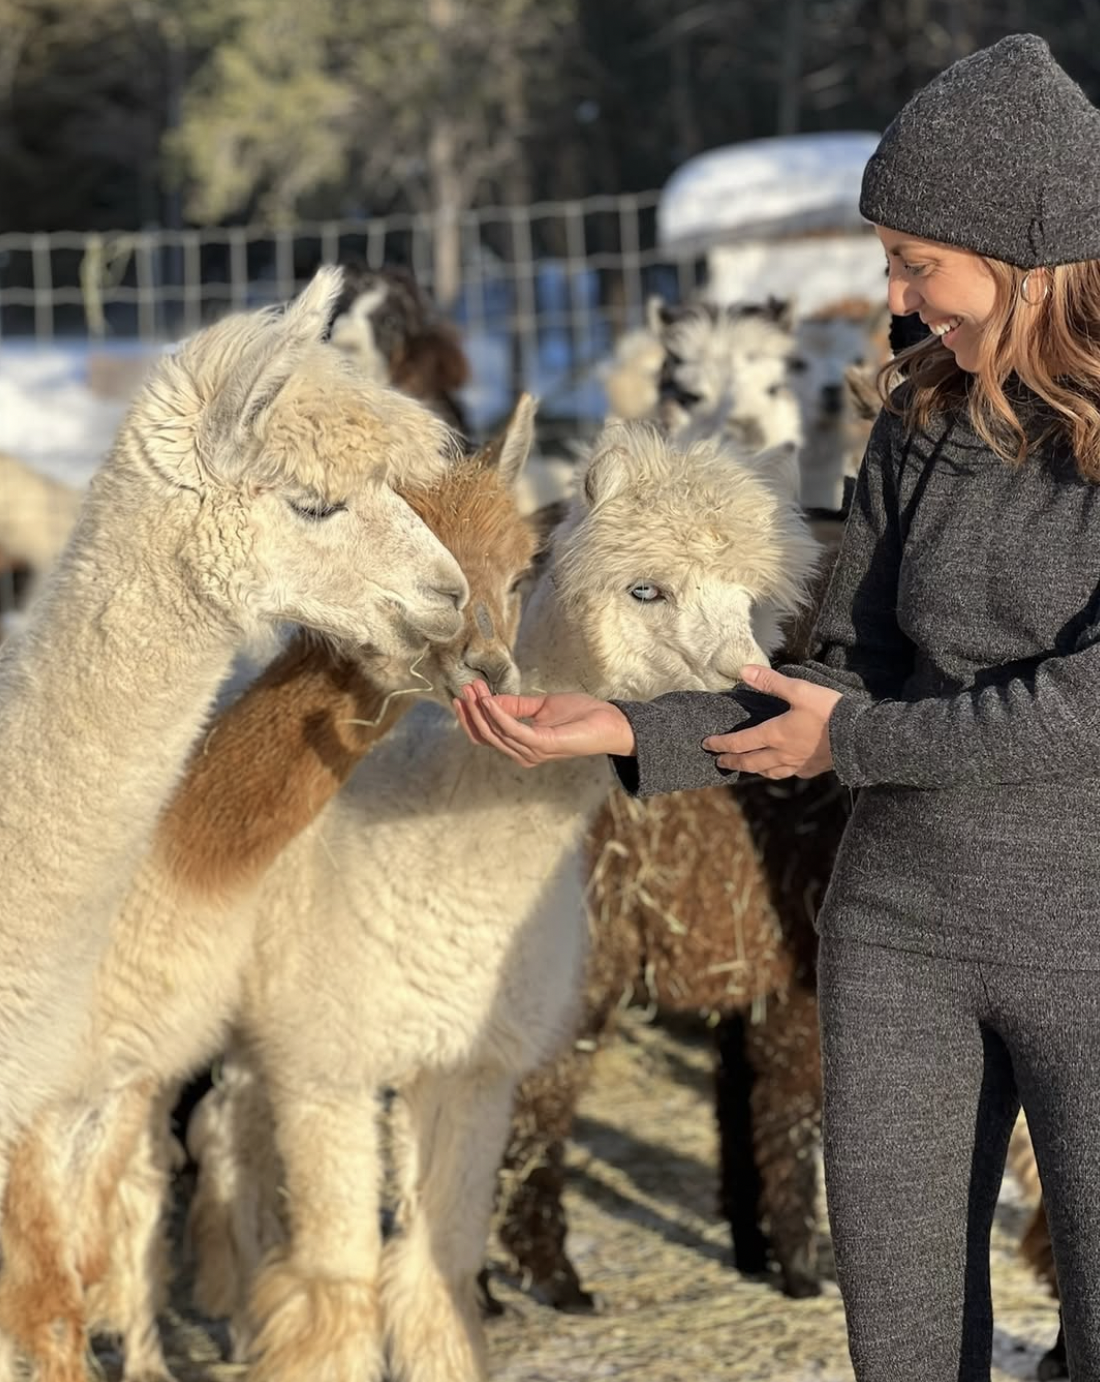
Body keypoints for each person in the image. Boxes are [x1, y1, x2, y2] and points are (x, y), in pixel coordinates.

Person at [454, 33, 1100, 1382]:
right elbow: (840, 678)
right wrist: (640, 729)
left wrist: (854, 740)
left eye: (920, 259)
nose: (897, 294)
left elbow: (1078, 706)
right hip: (899, 936)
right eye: (890, 261)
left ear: (1029, 249)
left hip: (1084, 941)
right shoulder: (918, 425)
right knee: (907, 1346)